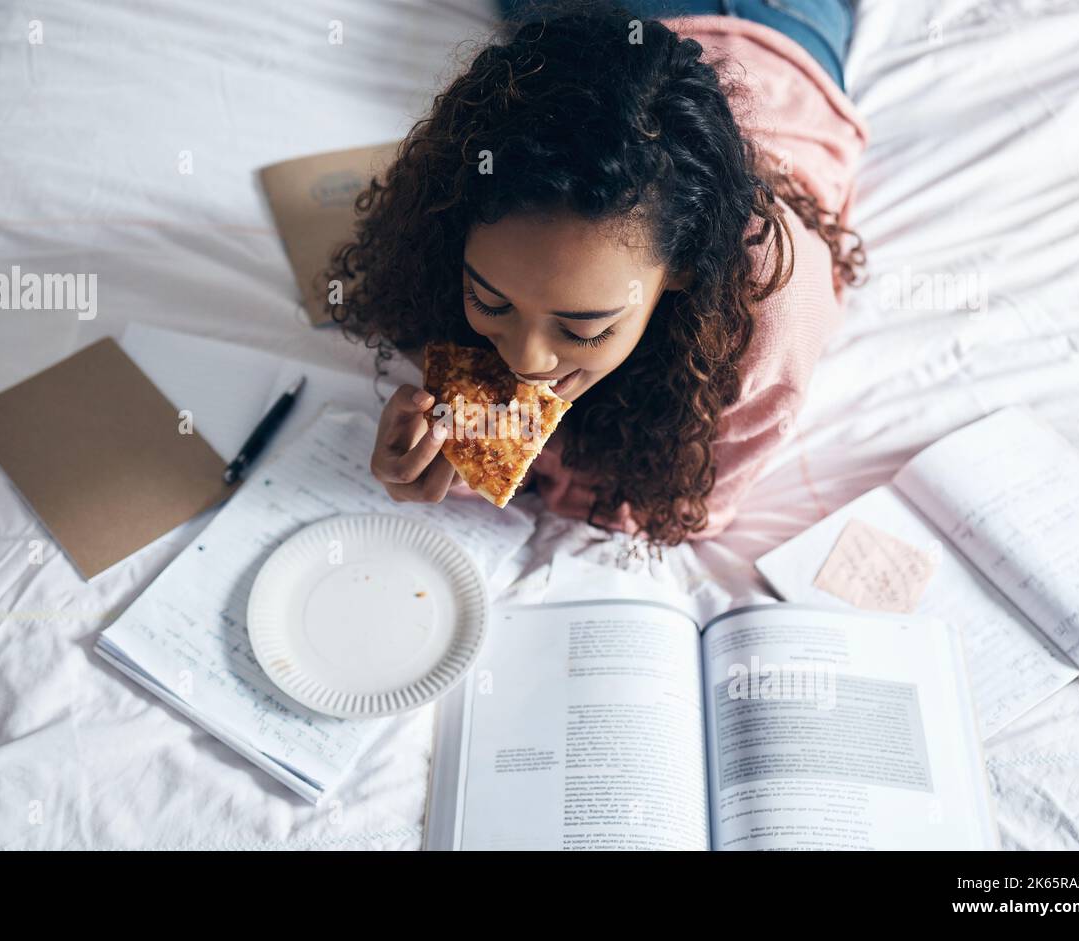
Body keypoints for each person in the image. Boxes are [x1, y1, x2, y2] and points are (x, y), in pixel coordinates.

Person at [326, 0, 868, 545]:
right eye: (491, 302)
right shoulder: (460, 197)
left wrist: (517, 465)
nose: (524, 360)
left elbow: (685, 509)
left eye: (583, 328)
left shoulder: (771, 311)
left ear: (684, 269)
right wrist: (452, 458)